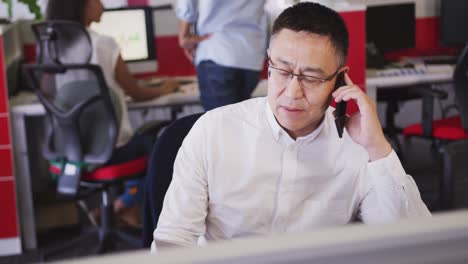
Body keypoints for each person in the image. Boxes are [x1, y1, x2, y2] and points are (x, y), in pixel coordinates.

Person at [152, 2, 431, 250]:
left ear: (340, 80)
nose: (292, 92)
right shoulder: (213, 132)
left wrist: (378, 149)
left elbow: (414, 246)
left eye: (311, 77)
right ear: (269, 63)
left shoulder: (357, 147)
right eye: (282, 71)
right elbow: (173, 242)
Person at [45, 0, 178, 227]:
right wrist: (166, 88)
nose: (103, 5)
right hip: (108, 152)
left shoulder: (52, 47)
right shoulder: (103, 44)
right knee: (163, 144)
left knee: (137, 142)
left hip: (69, 152)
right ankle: (124, 205)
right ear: (83, 6)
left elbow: (49, 92)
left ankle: (123, 209)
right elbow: (136, 92)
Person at [175, 0, 268, 110]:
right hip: (251, 54)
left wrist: (184, 34)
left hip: (218, 50)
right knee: (240, 121)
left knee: (219, 124)